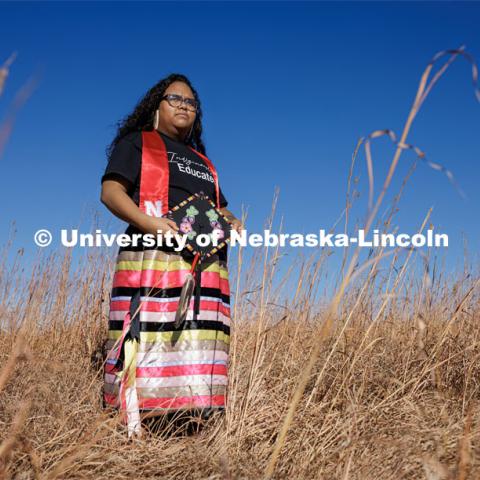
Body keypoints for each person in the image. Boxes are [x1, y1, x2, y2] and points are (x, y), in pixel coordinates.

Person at [100, 73, 243, 437]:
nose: (183, 106)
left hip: (204, 267)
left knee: (197, 340)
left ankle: (190, 425)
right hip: (151, 258)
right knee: (146, 337)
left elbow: (217, 209)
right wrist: (148, 222)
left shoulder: (203, 162)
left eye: (190, 102)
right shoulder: (138, 144)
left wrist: (231, 219)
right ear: (157, 106)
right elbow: (111, 191)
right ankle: (137, 426)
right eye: (174, 99)